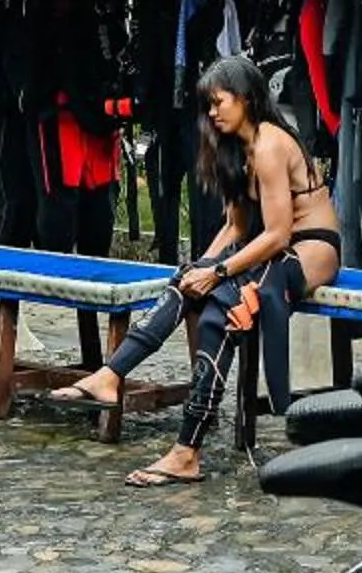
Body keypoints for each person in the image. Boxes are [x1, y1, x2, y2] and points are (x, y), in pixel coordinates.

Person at [53, 53, 341, 485]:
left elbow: (280, 234)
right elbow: (236, 226)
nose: (211, 112)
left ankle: (175, 438)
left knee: (227, 305)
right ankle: (121, 384)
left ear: (245, 97)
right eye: (208, 104)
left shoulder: (269, 143)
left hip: (308, 250)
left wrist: (220, 273)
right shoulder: (235, 149)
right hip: (268, 251)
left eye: (218, 102)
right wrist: (201, 271)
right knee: (195, 291)